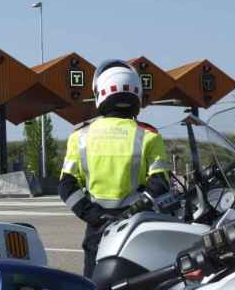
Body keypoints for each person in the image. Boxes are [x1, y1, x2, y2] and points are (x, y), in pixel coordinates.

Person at [58, 59, 171, 278]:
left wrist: (95, 216)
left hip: (98, 229)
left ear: (100, 93)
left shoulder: (80, 137)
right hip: (137, 226)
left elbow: (66, 186)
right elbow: (160, 184)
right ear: (136, 94)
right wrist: (134, 210)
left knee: (95, 282)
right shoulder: (149, 136)